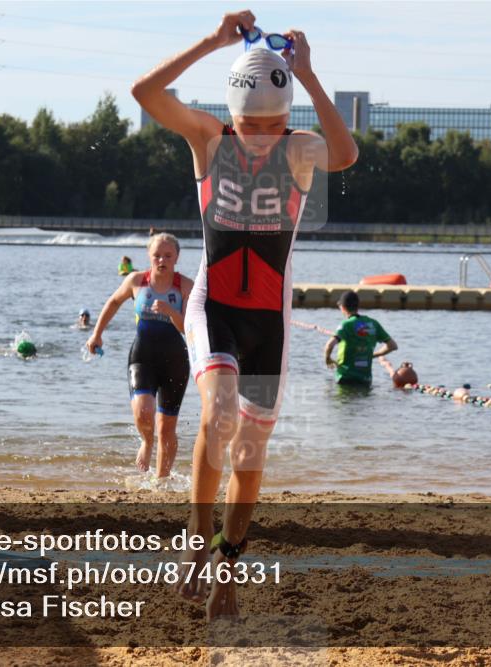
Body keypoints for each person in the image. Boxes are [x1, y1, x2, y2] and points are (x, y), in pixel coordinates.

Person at [132, 10, 358, 619]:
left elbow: (347, 151)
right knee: (220, 410)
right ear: (231, 114)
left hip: (271, 321)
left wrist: (308, 75)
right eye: (248, 123)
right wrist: (210, 41)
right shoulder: (208, 140)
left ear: (286, 119)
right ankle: (195, 544)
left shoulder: (301, 151)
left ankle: (226, 567)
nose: (259, 133)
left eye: (270, 124)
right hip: (217, 305)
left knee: (250, 458)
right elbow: (145, 94)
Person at [87, 234, 193, 478]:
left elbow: (186, 327)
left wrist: (169, 312)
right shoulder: (136, 281)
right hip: (142, 355)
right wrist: (97, 334)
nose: (162, 260)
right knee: (143, 410)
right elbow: (113, 302)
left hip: (175, 359)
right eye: (157, 255)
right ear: (149, 256)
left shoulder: (185, 286)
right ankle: (146, 442)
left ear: (177, 257)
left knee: (167, 428)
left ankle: (162, 480)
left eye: (167, 255)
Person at [324, 291, 397, 388]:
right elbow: (392, 346)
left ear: (343, 307)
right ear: (358, 306)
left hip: (345, 378)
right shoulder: (373, 324)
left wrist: (327, 359)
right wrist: (373, 355)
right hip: (365, 379)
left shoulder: (346, 325)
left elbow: (329, 345)